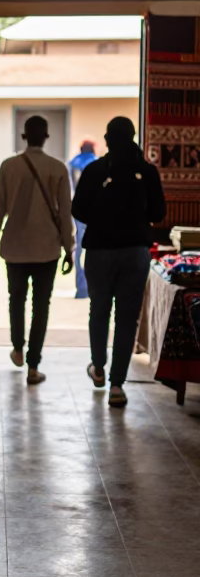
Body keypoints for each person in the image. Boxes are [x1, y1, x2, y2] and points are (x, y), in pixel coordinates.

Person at [72, 115, 166, 408]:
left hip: (99, 251)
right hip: (136, 253)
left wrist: (103, 221)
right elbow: (159, 212)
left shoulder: (94, 170)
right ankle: (116, 385)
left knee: (98, 310)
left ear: (109, 139)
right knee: (127, 319)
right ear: (134, 137)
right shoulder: (147, 172)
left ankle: (98, 367)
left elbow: (79, 210)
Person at [0, 115, 75, 385]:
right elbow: (65, 213)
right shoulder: (58, 168)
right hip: (47, 248)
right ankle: (34, 366)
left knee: (16, 300)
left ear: (24, 137)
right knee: (41, 307)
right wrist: (68, 249)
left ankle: (17, 347)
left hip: (15, 248)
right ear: (46, 137)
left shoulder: (9, 166)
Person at [68, 137, 98, 298]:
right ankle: (91, 286)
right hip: (95, 210)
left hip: (78, 210)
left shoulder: (73, 163)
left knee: (79, 249)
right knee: (93, 248)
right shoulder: (97, 163)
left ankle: (81, 288)